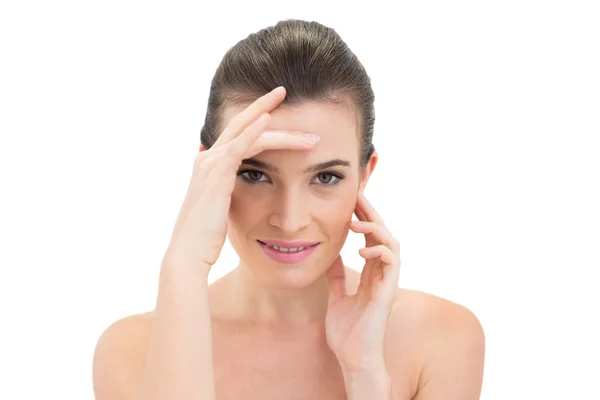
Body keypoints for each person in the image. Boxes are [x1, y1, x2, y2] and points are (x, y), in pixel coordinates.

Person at [92, 19, 485, 400]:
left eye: (326, 178)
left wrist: (364, 374)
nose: (290, 220)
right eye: (254, 174)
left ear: (365, 175)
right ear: (210, 172)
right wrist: (182, 267)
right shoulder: (131, 352)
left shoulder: (442, 340)